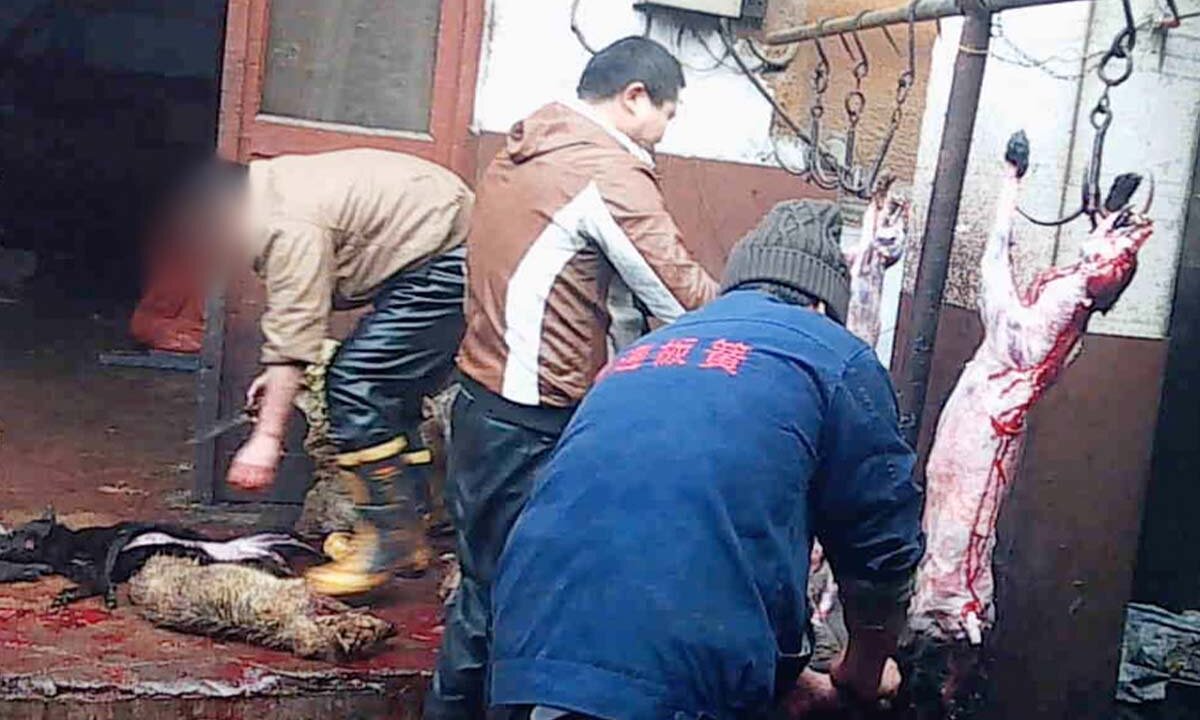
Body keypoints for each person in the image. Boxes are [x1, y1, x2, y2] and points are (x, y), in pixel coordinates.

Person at [489, 201, 926, 720]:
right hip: (677, 682)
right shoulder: (835, 355)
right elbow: (881, 553)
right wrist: (863, 672)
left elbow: (676, 535)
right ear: (819, 304)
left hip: (524, 655)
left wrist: (786, 678)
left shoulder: (645, 350)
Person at [425, 37, 719, 719]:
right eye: (668, 114)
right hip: (536, 423)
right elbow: (684, 300)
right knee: (519, 606)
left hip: (481, 402)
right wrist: (761, 319)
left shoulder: (527, 148)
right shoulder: (603, 170)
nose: (666, 132)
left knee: (484, 593)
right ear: (635, 97)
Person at [213, 149, 474, 596]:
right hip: (438, 247)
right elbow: (298, 321)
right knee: (388, 394)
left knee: (355, 385)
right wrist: (279, 375)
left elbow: (295, 330)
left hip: (452, 257)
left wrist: (266, 439)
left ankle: (389, 540)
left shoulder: (285, 222)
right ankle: (409, 534)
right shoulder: (273, 191)